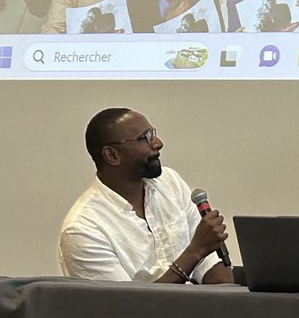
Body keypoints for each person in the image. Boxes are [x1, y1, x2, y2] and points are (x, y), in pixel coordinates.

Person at [59, 108, 232, 284]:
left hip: (200, 308)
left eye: (152, 133)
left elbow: (209, 262)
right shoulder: (83, 229)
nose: (158, 143)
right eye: (144, 138)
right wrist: (195, 251)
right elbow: (132, 307)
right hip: (143, 311)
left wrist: (229, 303)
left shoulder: (170, 183)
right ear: (112, 155)